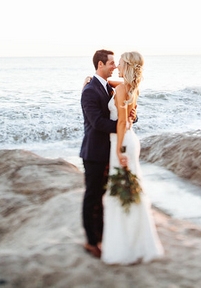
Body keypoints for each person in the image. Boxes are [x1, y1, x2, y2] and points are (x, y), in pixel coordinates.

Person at [101, 51, 164, 265]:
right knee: (131, 190)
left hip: (122, 142)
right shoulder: (131, 87)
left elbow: (119, 122)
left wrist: (118, 150)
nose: (116, 65)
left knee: (121, 190)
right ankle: (137, 240)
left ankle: (127, 244)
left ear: (126, 64)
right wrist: (96, 79)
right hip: (130, 139)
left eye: (119, 62)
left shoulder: (121, 89)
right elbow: (111, 81)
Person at [80, 49, 119, 259]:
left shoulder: (106, 87)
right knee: (92, 197)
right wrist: (123, 126)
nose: (115, 66)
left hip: (108, 153)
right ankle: (91, 242)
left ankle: (101, 236)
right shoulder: (90, 91)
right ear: (100, 65)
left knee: (101, 197)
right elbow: (98, 123)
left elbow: (120, 106)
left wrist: (130, 116)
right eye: (112, 63)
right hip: (94, 153)